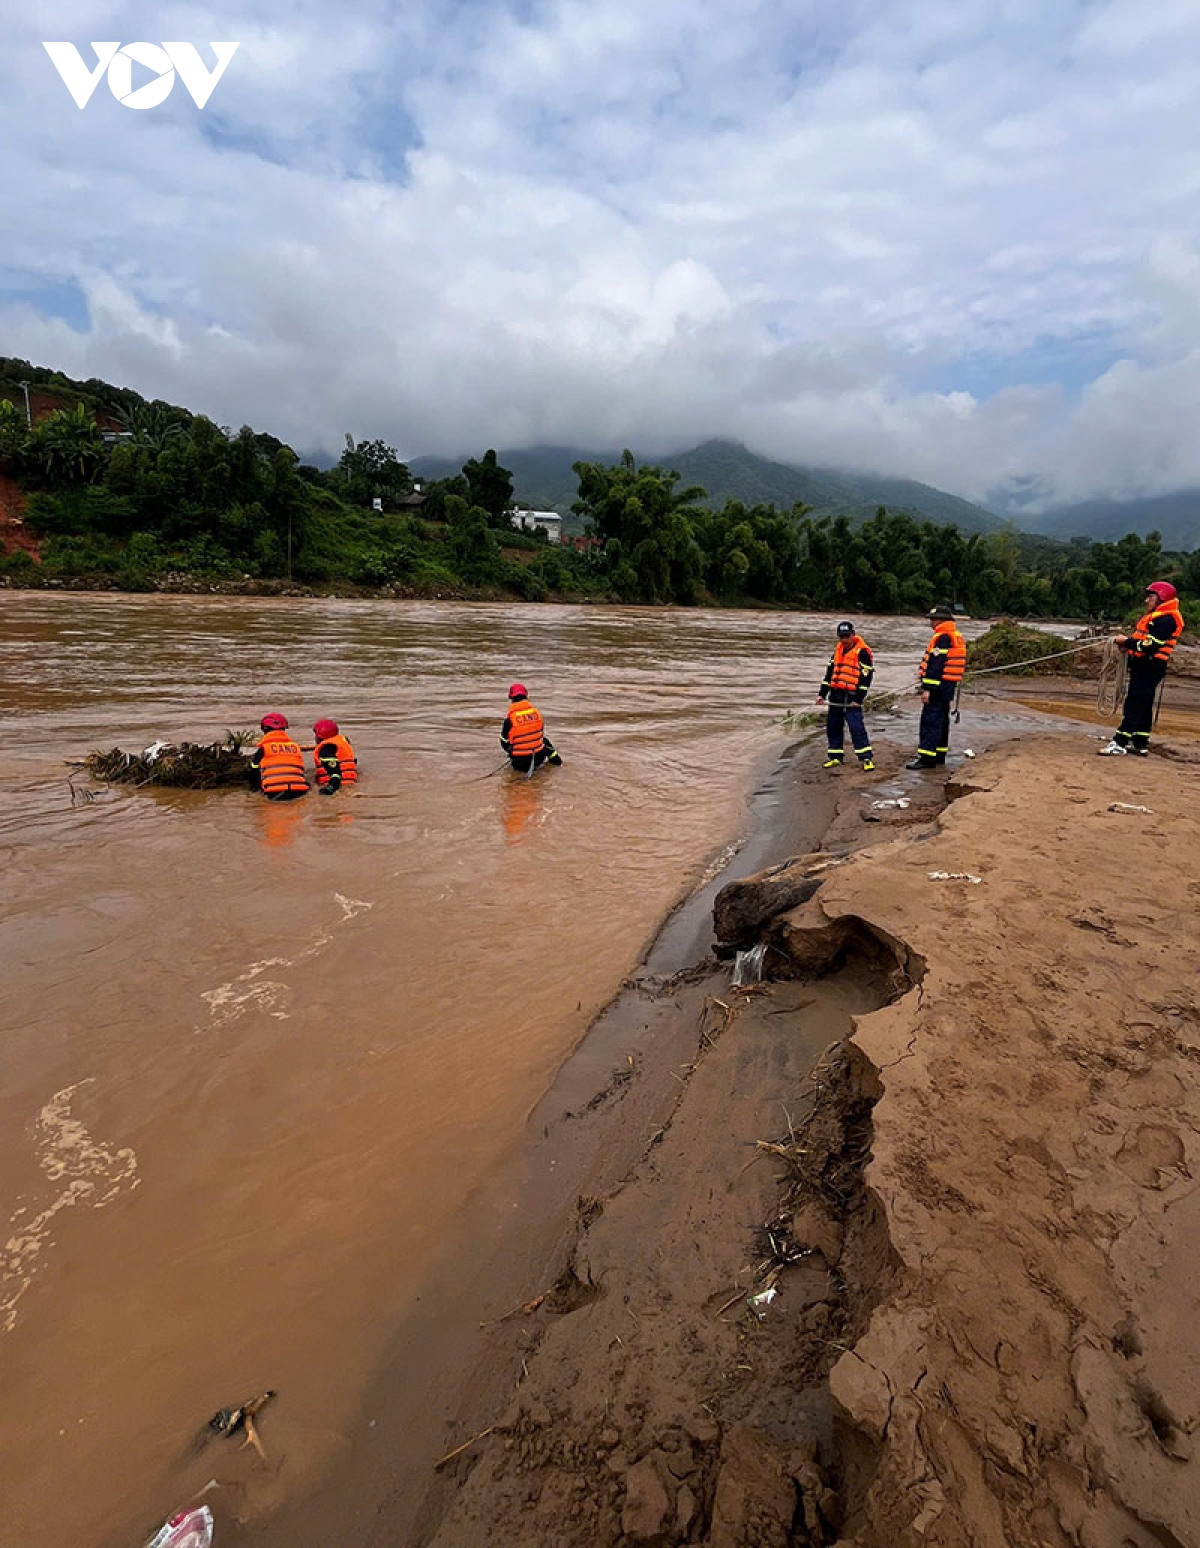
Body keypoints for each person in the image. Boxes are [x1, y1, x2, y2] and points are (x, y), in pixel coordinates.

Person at [1098, 581, 1185, 756]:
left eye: (1150, 596)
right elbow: (1143, 641)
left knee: (1135, 703)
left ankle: (1120, 742)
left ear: (1162, 598)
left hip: (1150, 665)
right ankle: (1140, 742)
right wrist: (1128, 647)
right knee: (1144, 704)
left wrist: (1125, 642)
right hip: (1144, 665)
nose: (1147, 600)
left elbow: (1150, 645)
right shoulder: (1157, 617)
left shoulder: (1166, 619)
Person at [907, 605, 967, 771]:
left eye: (933, 619)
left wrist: (927, 689)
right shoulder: (955, 635)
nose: (931, 623)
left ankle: (927, 758)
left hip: (938, 686)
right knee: (942, 720)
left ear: (941, 620)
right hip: (948, 685)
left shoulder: (942, 637)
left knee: (930, 720)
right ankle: (939, 755)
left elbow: (935, 666)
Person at [816, 621, 875, 771]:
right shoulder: (837, 651)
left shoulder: (862, 652)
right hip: (836, 695)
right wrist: (822, 694)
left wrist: (858, 699)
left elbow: (866, 678)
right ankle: (835, 756)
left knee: (856, 726)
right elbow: (828, 675)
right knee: (833, 726)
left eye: (847, 636)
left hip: (852, 696)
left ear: (853, 635)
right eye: (841, 637)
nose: (844, 640)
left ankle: (866, 758)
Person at [500, 683, 563, 774]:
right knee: (545, 741)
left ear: (511, 699)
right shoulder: (537, 714)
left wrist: (512, 751)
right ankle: (558, 763)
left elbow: (503, 742)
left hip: (519, 763)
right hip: (538, 758)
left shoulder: (509, 720)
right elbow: (540, 734)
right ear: (526, 696)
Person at [249, 713, 309, 799]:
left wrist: (254, 787)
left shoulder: (264, 748)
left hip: (275, 792)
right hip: (299, 790)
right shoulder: (295, 747)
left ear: (265, 729)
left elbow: (253, 770)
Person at [309, 718, 358, 794]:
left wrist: (330, 789)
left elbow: (335, 773)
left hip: (338, 786)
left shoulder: (325, 749)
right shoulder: (342, 744)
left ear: (319, 737)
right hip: (350, 784)